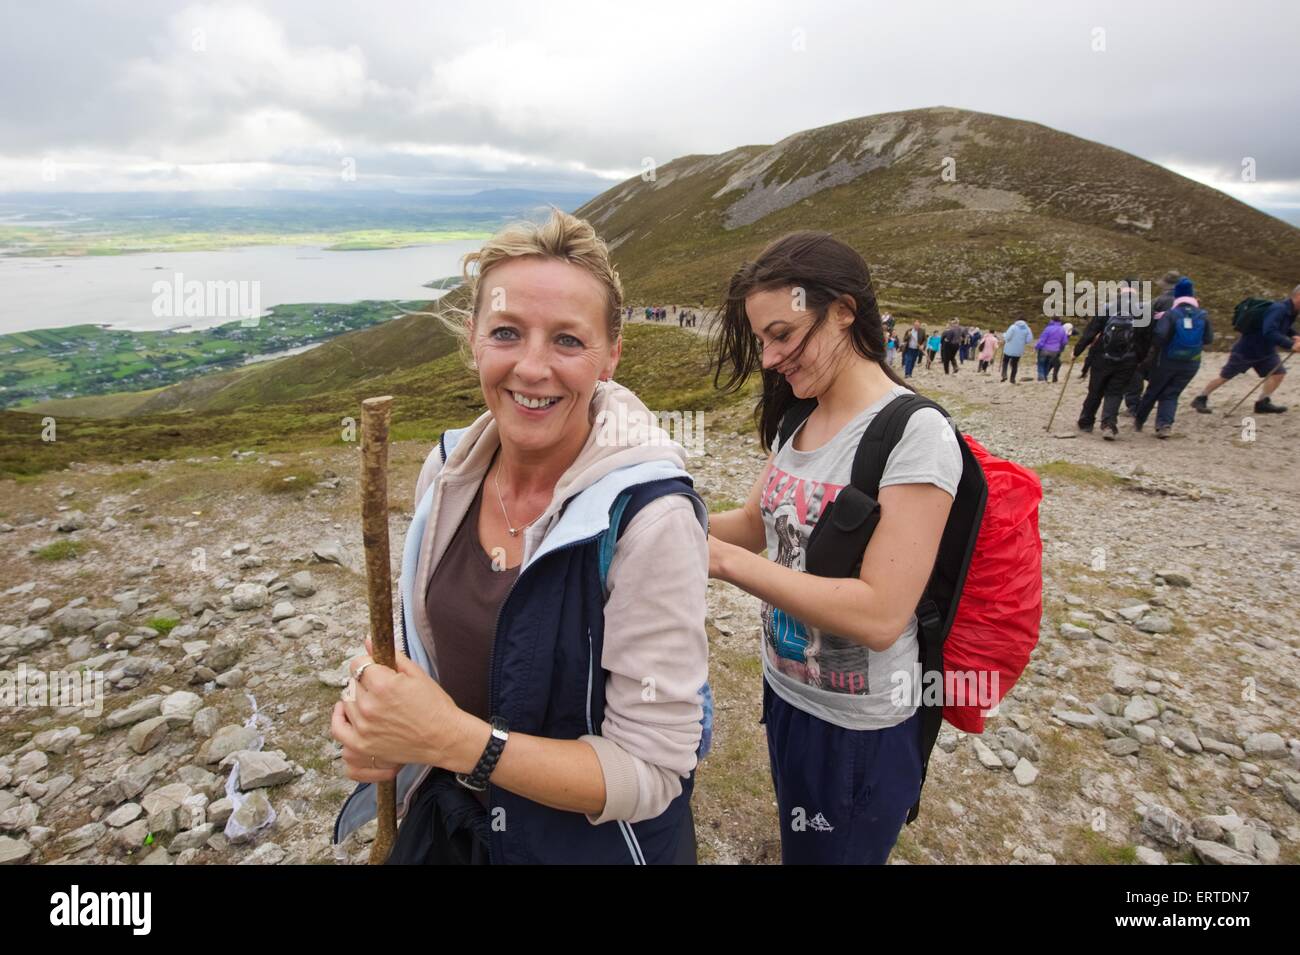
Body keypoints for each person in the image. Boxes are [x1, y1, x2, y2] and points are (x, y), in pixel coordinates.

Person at [331, 210, 710, 864]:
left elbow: (652, 770)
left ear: (610, 356)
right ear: (474, 341)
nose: (532, 367)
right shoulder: (447, 472)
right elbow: (430, 663)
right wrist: (379, 718)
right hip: (452, 828)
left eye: (568, 340)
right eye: (507, 332)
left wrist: (452, 741)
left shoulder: (651, 516)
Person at [709, 230, 961, 864]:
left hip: (858, 727)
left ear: (845, 310)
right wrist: (648, 514)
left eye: (783, 335)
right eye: (762, 340)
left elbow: (880, 614)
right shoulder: (800, 413)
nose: (769, 358)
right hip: (787, 691)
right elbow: (754, 522)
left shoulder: (915, 435)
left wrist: (724, 563)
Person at [1191, 283, 1300, 415]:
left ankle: (1262, 403)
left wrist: (1294, 336)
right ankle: (1201, 397)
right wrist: (1290, 345)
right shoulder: (1279, 309)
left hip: (1266, 350)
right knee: (1225, 376)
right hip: (1246, 349)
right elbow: (1269, 331)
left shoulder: (1291, 310)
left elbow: (1283, 326)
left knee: (1278, 373)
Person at [1072, 278, 1152, 439]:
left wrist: (1077, 351)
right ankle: (1109, 425)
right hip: (1128, 359)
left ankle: (1086, 422)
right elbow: (1146, 338)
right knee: (1115, 392)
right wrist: (1139, 358)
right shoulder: (1143, 309)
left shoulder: (1108, 307)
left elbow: (1091, 331)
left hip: (1102, 356)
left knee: (1095, 390)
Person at [1135, 277, 1213, 437]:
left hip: (1167, 360)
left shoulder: (1171, 314)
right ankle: (1164, 425)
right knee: (1172, 393)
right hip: (1192, 363)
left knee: (1153, 390)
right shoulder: (1203, 315)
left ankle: (1139, 421)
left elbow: (1159, 337)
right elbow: (1208, 339)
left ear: (1177, 296)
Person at [1124, 271, 1181, 415]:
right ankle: (1163, 407)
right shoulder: (1187, 301)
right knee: (1160, 375)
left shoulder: (1160, 300)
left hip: (1156, 343)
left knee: (1136, 370)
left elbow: (1145, 320)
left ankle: (1134, 406)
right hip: (1178, 346)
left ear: (1166, 285)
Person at [1035, 316, 1069, 382]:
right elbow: (1064, 341)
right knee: (1047, 363)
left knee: (1041, 363)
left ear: (1052, 320)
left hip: (1045, 349)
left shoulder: (1048, 329)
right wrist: (1059, 348)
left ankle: (1041, 377)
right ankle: (1045, 377)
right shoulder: (1062, 329)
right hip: (1055, 351)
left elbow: (1042, 340)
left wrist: (1037, 347)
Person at [1001, 317, 1033, 383]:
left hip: (1008, 349)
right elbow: (1029, 340)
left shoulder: (1013, 327)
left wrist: (1004, 335)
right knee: (1015, 364)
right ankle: (1012, 379)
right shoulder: (1028, 329)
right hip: (1019, 350)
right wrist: (1022, 342)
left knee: (1005, 361)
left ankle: (1004, 375)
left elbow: (1007, 337)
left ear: (1017, 320)